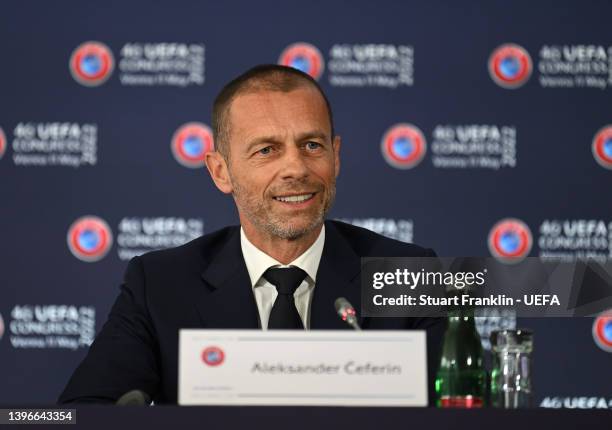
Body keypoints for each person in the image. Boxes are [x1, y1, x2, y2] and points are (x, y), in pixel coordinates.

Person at [58, 64, 444, 405]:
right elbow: (83, 411)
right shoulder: (160, 284)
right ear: (220, 171)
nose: (296, 167)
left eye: (312, 145)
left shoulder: (407, 273)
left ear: (336, 156)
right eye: (266, 150)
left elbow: (455, 411)